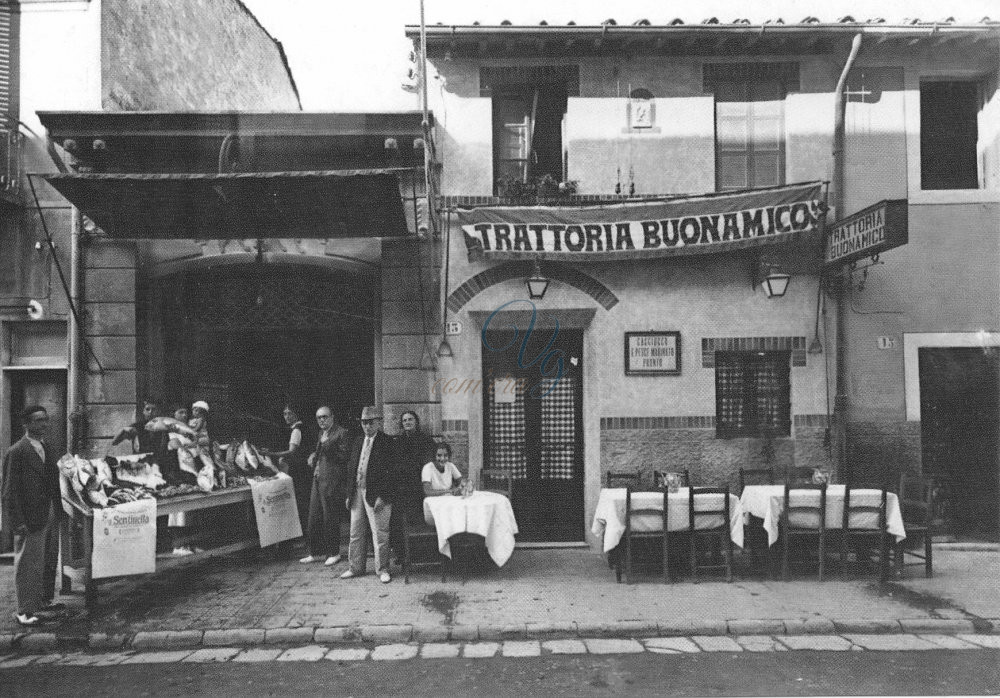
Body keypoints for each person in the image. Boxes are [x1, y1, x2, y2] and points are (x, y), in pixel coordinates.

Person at [1, 405, 63, 626]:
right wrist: (17, 523)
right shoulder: (17, 452)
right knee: (28, 563)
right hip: (29, 517)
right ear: (26, 424)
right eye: (37, 420)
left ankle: (43, 601)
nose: (44, 424)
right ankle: (24, 611)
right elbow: (8, 491)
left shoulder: (47, 446)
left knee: (47, 558)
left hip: (48, 511)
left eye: (45, 419)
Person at [340, 405, 395, 583]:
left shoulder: (387, 442)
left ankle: (383, 569)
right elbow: (351, 468)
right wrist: (349, 493)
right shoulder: (357, 441)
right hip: (357, 492)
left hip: (377, 495)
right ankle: (355, 567)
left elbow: (391, 473)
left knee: (380, 533)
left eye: (370, 422)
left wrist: (383, 496)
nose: (367, 426)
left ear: (379, 422)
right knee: (355, 532)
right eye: (364, 422)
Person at [299, 405, 350, 566]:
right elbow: (321, 452)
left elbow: (343, 457)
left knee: (330, 517)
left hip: (332, 481)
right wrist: (314, 455)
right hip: (318, 477)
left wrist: (326, 445)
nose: (322, 420)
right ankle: (315, 552)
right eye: (319, 418)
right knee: (313, 516)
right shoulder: (322, 432)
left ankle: (334, 553)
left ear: (332, 417)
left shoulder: (341, 433)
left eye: (325, 417)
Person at [390, 410, 437, 559]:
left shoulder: (426, 441)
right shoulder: (397, 442)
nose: (407, 422)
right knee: (400, 522)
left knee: (420, 520)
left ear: (416, 422)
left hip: (419, 488)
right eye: (404, 420)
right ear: (401, 424)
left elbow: (429, 464)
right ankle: (402, 556)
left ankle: (421, 555)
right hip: (402, 489)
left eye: (410, 419)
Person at [261, 403, 311, 535]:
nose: (287, 416)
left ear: (296, 414)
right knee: (302, 502)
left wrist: (271, 454)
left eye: (290, 413)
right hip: (301, 468)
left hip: (299, 469)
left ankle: (303, 535)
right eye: (285, 414)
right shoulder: (296, 428)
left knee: (300, 502)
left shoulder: (297, 430)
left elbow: (291, 452)